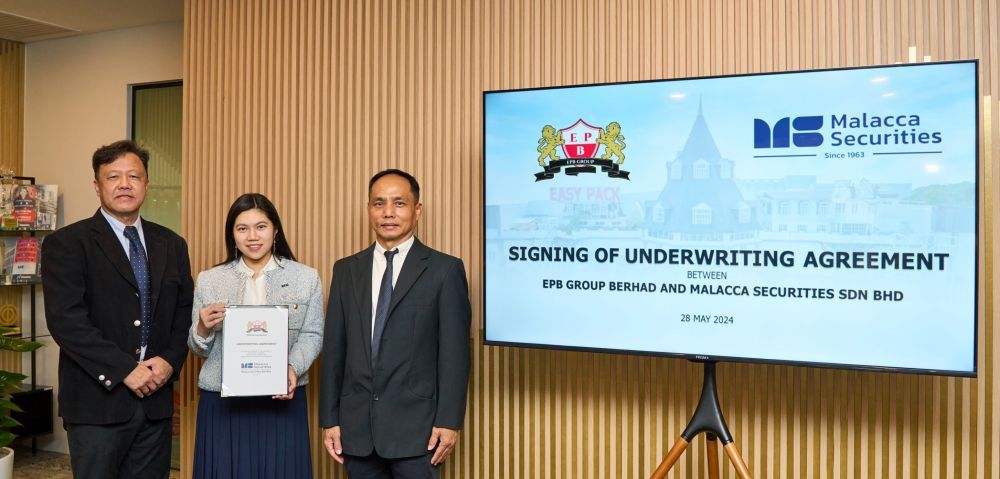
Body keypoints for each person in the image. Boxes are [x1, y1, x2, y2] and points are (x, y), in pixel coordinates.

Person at [42, 140, 193, 479]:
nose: (124, 184)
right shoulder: (67, 243)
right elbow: (67, 321)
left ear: (146, 184)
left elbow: (185, 311)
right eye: (113, 177)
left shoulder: (171, 243)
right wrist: (126, 369)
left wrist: (169, 362)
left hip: (155, 403)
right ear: (97, 186)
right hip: (97, 405)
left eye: (134, 176)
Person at [319, 169, 472, 478]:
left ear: (417, 210)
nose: (388, 212)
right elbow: (335, 348)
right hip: (357, 430)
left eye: (399, 203)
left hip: (419, 431)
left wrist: (449, 421)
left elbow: (455, 354)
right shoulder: (346, 270)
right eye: (379, 203)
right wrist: (329, 419)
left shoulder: (444, 270)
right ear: (368, 210)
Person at [188, 193, 324, 479]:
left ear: (275, 230)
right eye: (242, 228)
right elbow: (198, 349)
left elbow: (312, 334)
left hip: (283, 397)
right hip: (223, 402)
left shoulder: (306, 277)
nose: (253, 236)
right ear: (232, 235)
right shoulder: (209, 280)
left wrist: (292, 368)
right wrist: (202, 328)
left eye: (261, 226)